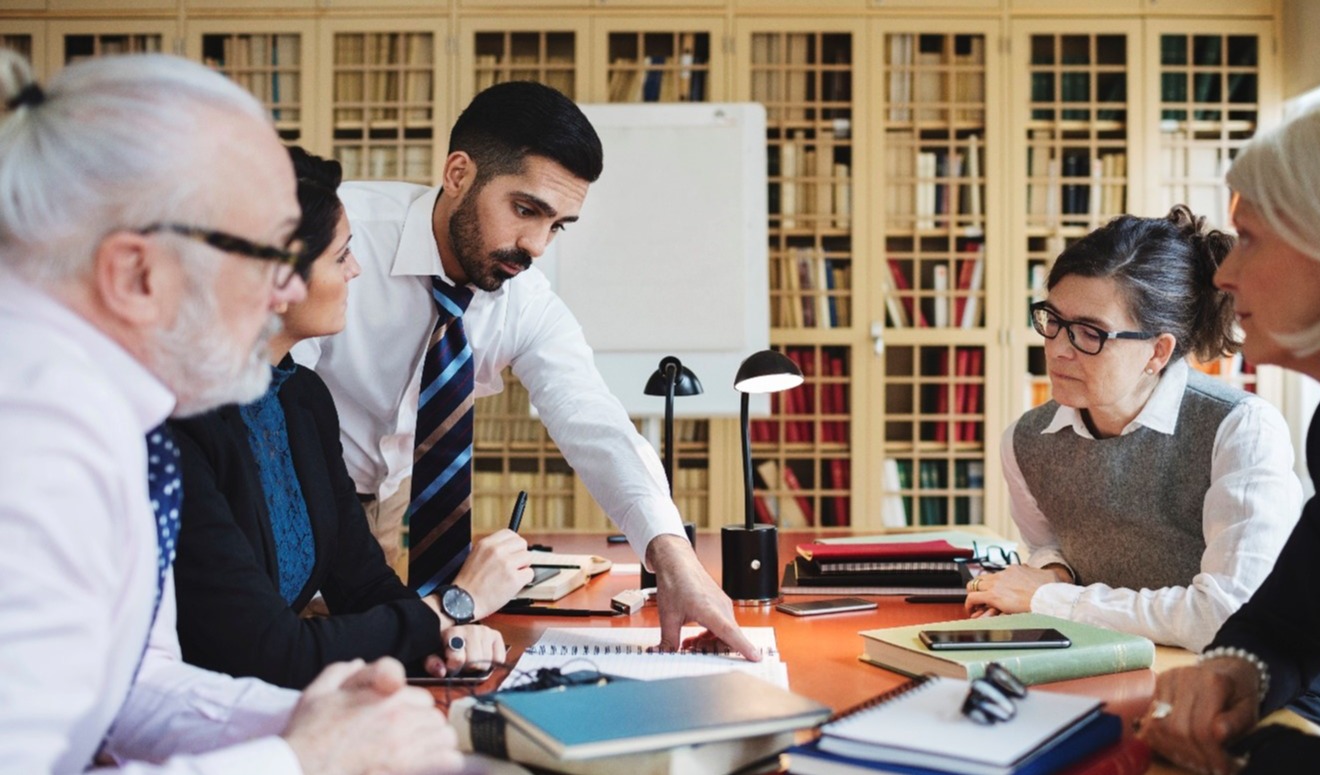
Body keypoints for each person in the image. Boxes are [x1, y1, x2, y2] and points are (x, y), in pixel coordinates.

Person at [0, 51, 461, 774]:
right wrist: (304, 760)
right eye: (269, 259)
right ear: (137, 273)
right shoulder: (27, 441)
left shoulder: (122, 415)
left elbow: (129, 690)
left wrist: (308, 719)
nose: (284, 295)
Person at [294, 79, 757, 657]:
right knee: (301, 656)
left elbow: (594, 423)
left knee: (401, 664)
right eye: (525, 209)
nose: (537, 246)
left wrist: (674, 557)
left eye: (557, 225)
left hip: (387, 505)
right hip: (295, 487)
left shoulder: (524, 299)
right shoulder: (343, 240)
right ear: (458, 174)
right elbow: (272, 398)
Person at [170, 146, 511, 689]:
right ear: (277, 279)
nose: (356, 270)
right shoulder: (181, 423)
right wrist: (446, 610)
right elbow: (267, 651)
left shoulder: (302, 398)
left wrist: (441, 638)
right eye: (340, 256)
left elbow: (363, 582)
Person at [1138, 92, 1320, 774]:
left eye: (1250, 239)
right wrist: (1227, 676)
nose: (1222, 274)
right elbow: (1285, 624)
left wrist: (1260, 755)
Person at [964, 205, 1304, 656]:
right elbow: (1049, 543)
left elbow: (1228, 612)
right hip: (1105, 660)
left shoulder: (1240, 429)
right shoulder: (1025, 441)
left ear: (1158, 352)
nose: (1059, 350)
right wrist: (1053, 572)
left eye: (1089, 333)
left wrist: (1048, 599)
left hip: (1240, 678)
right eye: (1053, 321)